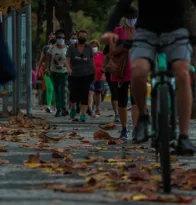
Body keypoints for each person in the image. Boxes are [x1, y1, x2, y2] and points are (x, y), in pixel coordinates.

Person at [101, 0, 196, 155]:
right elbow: (122, 5)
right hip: (145, 34)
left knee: (182, 72)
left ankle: (184, 136)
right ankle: (143, 118)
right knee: (138, 71)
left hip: (176, 33)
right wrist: (109, 30)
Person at [107, 8, 138, 140]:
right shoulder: (118, 31)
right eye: (128, 18)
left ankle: (136, 129)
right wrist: (123, 46)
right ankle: (124, 128)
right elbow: (111, 51)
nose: (131, 21)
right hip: (121, 70)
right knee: (122, 102)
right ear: (125, 18)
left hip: (136, 71)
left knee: (136, 102)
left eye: (133, 18)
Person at [66, 29, 96, 122]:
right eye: (81, 36)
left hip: (87, 74)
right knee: (73, 93)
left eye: (84, 36)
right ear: (78, 36)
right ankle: (73, 108)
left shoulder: (89, 48)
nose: (82, 38)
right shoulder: (71, 47)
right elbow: (67, 60)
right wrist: (68, 68)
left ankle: (83, 114)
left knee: (84, 94)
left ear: (86, 37)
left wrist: (95, 73)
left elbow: (92, 61)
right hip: (74, 74)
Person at [46, 29, 69, 117]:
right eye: (59, 37)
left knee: (63, 90)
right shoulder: (52, 48)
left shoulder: (67, 48)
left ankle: (63, 108)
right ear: (56, 37)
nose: (61, 39)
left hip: (64, 72)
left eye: (62, 37)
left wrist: (65, 67)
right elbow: (48, 59)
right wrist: (47, 69)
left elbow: (69, 60)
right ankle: (58, 109)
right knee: (56, 90)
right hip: (54, 72)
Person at [37, 33, 56, 113]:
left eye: (53, 37)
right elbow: (41, 59)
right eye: (50, 37)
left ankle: (55, 106)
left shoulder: (59, 48)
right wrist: (38, 70)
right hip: (47, 70)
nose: (51, 38)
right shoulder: (45, 48)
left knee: (56, 89)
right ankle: (48, 106)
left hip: (57, 71)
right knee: (50, 88)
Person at [88, 40, 105, 116]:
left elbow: (105, 65)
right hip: (90, 76)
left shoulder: (101, 54)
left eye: (95, 46)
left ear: (98, 47)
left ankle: (97, 108)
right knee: (90, 92)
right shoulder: (87, 55)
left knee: (98, 93)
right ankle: (90, 108)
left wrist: (104, 74)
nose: (93, 48)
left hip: (100, 76)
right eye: (92, 46)